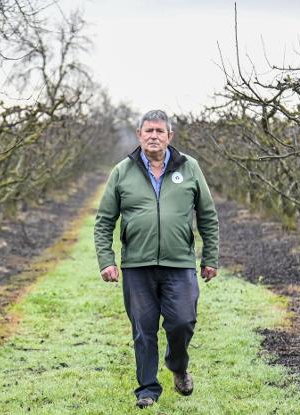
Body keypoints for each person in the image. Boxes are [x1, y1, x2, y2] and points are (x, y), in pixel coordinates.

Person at [93, 109, 219, 409]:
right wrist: (106, 260)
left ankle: (177, 365)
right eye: (148, 130)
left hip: (180, 263)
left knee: (183, 321)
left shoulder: (189, 168)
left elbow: (208, 216)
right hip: (137, 265)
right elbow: (104, 221)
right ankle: (147, 389)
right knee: (143, 328)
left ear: (169, 136)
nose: (153, 136)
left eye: (159, 131)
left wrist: (210, 257)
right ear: (139, 135)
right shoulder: (122, 171)